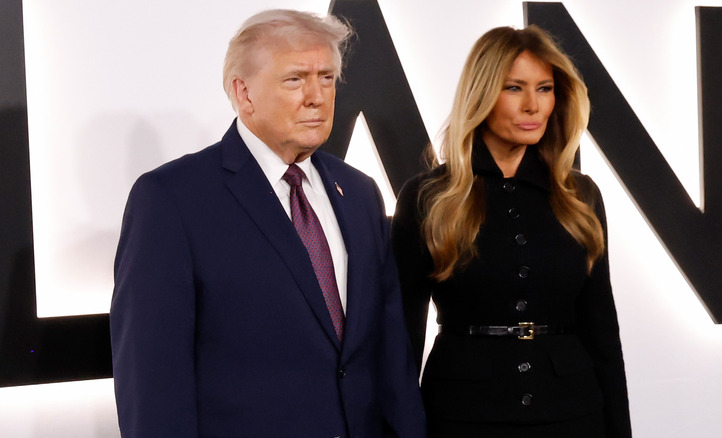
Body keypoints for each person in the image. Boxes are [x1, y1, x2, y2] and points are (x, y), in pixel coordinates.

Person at [110, 9, 425, 438]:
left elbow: (390, 350)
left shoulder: (360, 194)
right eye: (295, 79)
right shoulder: (172, 199)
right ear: (244, 94)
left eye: (327, 78)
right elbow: (153, 376)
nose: (317, 96)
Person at [391, 25, 631, 438]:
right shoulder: (429, 196)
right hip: (462, 416)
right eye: (514, 88)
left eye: (545, 88)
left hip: (572, 415)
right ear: (482, 93)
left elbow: (602, 333)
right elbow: (401, 340)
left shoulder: (580, 196)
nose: (533, 106)